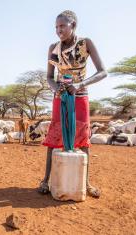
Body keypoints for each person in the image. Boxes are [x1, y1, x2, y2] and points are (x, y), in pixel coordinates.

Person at [38, 10, 107, 198]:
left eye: (62, 26)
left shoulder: (85, 43)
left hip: (80, 95)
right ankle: (46, 180)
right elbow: (49, 77)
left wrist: (80, 84)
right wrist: (56, 89)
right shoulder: (54, 47)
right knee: (55, 136)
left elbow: (103, 72)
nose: (59, 30)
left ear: (73, 25)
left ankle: (86, 182)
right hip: (60, 97)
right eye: (56, 27)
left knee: (83, 138)